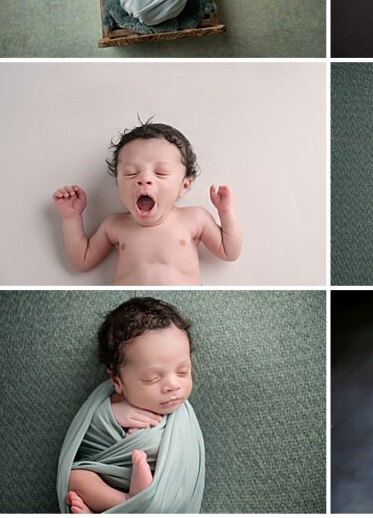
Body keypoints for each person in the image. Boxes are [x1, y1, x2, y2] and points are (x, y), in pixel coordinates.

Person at [60, 297, 204, 513]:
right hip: (110, 487)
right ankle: (126, 502)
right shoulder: (107, 403)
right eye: (153, 378)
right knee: (74, 477)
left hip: (160, 494)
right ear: (117, 381)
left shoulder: (181, 420)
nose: (173, 385)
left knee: (158, 498)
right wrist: (110, 415)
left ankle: (139, 503)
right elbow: (86, 439)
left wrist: (146, 442)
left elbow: (184, 469)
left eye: (183, 372)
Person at [52, 121, 242, 285]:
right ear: (118, 184)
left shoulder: (195, 218)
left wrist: (225, 211)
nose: (144, 179)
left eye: (160, 173)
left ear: (184, 186)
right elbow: (81, 261)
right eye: (131, 173)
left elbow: (230, 252)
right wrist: (71, 217)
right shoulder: (114, 225)